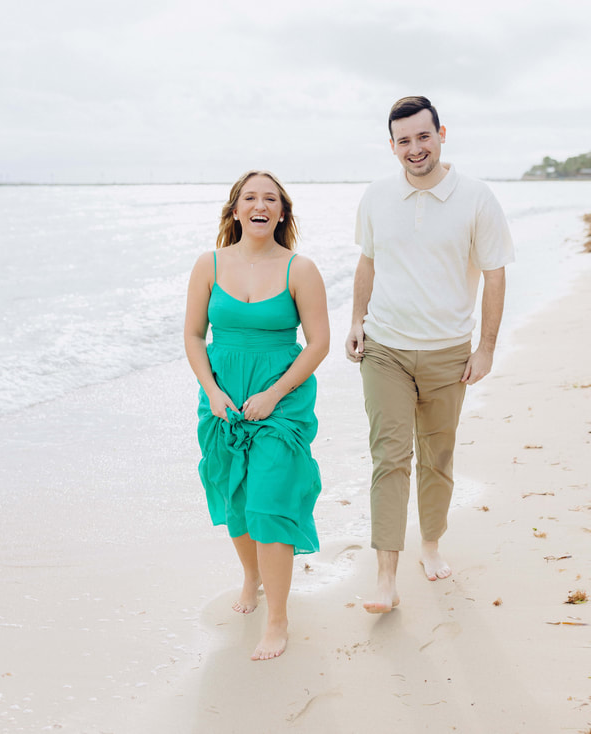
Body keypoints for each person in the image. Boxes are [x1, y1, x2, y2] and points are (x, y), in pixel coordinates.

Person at [345, 96, 514, 614]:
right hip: (386, 349)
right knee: (389, 459)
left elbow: (495, 274)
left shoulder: (477, 198)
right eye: (404, 140)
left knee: (437, 459)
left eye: (423, 137)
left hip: (447, 352)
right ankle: (386, 578)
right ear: (391, 146)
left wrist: (485, 347)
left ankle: (432, 544)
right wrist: (356, 320)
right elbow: (367, 263)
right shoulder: (376, 196)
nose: (415, 149)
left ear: (442, 134)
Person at [184, 170, 329, 660]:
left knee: (270, 500)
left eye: (270, 198)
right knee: (235, 498)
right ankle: (250, 576)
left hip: (281, 401)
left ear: (282, 212)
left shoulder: (300, 269)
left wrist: (274, 393)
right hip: (223, 398)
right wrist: (211, 390)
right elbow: (192, 336)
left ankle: (278, 618)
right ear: (235, 209)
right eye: (250, 197)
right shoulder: (208, 264)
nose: (260, 204)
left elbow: (319, 343)